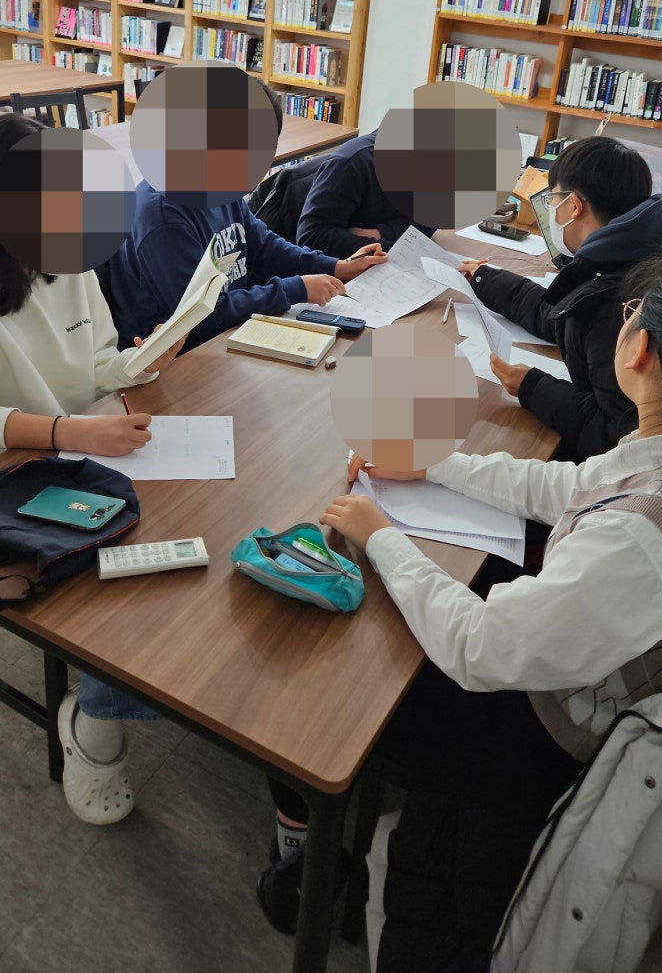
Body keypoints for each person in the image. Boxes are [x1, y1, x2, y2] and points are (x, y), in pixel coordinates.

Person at [315, 250, 662, 971]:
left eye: (628, 311)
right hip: (587, 682)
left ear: (638, 347)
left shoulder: (641, 539)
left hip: (548, 745)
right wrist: (433, 466)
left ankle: (317, 850)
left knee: (349, 674)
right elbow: (568, 488)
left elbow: (478, 646)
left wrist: (381, 535)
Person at [0, 113, 185, 826]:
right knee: (130, 581)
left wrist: (143, 359)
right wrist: (68, 431)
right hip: (21, 468)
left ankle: (102, 700)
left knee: (185, 548)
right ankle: (96, 721)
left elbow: (99, 360)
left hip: (81, 452)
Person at [458, 136, 662, 461]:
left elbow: (618, 437)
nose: (551, 211)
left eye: (552, 199)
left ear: (574, 206)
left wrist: (531, 387)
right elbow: (563, 314)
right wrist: (485, 279)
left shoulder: (620, 300)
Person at [107, 89, 387, 351]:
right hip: (175, 357)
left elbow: (264, 247)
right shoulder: (161, 216)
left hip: (226, 332)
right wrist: (293, 289)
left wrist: (337, 266)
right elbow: (198, 318)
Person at [295, 128, 434, 258]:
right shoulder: (348, 165)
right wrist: (395, 248)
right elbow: (311, 238)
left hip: (380, 264)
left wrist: (379, 233)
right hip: (339, 267)